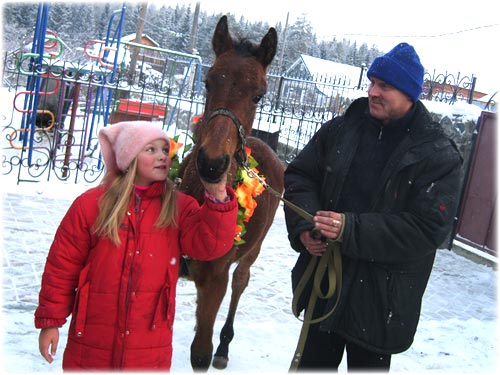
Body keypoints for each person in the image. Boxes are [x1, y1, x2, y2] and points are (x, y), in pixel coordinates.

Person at [284, 43, 462, 371]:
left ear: (410, 94)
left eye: (385, 86)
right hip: (324, 291)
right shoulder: (340, 130)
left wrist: (350, 229)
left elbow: (426, 229)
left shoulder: (437, 156)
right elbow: (300, 176)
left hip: (380, 305)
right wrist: (305, 228)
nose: (372, 92)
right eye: (372, 82)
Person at [34, 121, 238, 370]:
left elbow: (211, 245)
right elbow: (61, 266)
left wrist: (217, 194)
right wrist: (50, 321)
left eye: (165, 150)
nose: (162, 156)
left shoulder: (177, 207)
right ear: (128, 157)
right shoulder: (90, 205)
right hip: (92, 340)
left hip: (149, 343)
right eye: (150, 150)